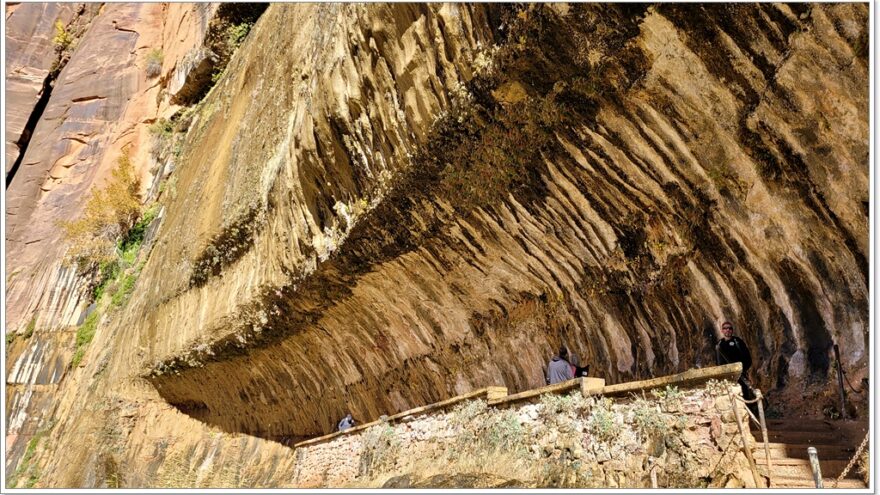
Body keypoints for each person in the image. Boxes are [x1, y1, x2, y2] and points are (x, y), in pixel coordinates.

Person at [715, 321, 758, 414]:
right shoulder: (719, 345)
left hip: (739, 374)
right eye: (725, 328)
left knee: (743, 393)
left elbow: (747, 358)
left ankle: (748, 415)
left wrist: (743, 369)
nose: (728, 330)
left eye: (730, 328)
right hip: (726, 376)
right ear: (722, 330)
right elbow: (718, 362)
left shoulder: (738, 342)